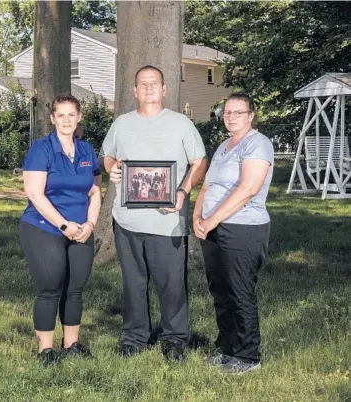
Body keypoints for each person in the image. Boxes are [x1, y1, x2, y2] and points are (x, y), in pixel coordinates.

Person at [101, 65, 207, 361]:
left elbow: (199, 162)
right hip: (127, 220)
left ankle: (174, 338)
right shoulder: (121, 123)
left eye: (154, 83)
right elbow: (106, 156)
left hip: (167, 220)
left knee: (171, 283)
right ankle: (135, 337)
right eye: (142, 84)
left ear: (164, 89)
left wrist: (183, 191)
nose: (148, 88)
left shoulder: (181, 123)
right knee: (133, 283)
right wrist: (111, 169)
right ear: (134, 91)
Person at [193, 92, 274, 374]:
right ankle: (226, 349)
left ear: (250, 116)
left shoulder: (258, 144)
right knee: (221, 292)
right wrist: (197, 215)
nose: (231, 117)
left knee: (240, 292)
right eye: (227, 112)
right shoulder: (224, 146)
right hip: (213, 227)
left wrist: (212, 219)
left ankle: (248, 357)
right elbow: (206, 186)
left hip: (243, 228)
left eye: (238, 112)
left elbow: (248, 189)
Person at [19, 94, 102, 366]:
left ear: (79, 117)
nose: (66, 120)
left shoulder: (88, 150)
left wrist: (89, 224)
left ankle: (72, 345)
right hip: (45, 228)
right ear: (53, 118)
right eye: (61, 115)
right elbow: (34, 193)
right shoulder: (41, 149)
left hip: (81, 230)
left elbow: (94, 190)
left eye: (71, 115)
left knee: (75, 288)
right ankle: (45, 350)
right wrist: (64, 225)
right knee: (51, 287)